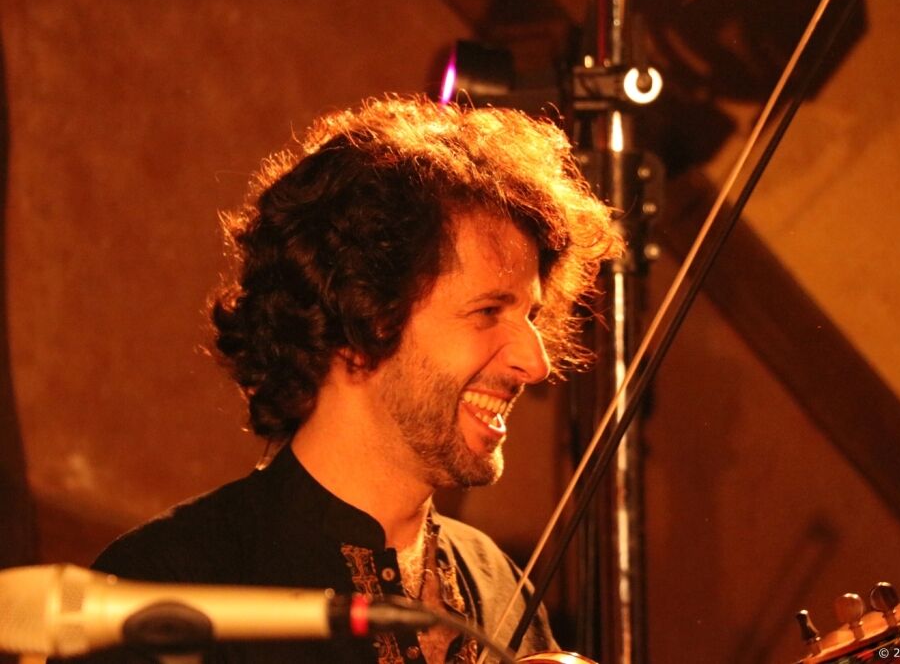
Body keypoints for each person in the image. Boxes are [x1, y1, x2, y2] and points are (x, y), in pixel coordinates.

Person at [56, 96, 623, 664]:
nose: (536, 363)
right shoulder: (164, 584)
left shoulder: (498, 582)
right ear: (364, 319)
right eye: (488, 311)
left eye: (530, 314)